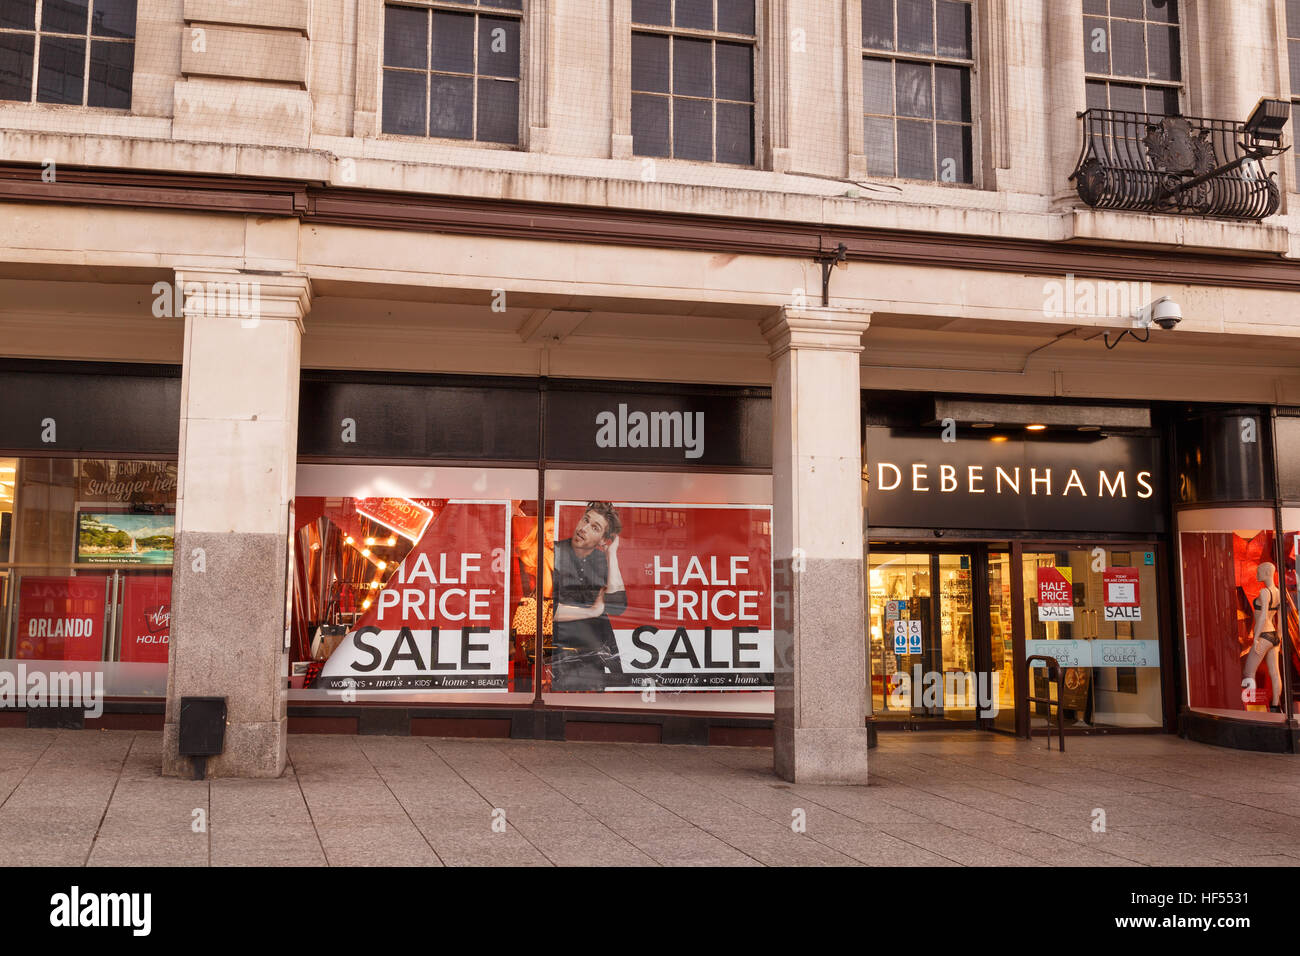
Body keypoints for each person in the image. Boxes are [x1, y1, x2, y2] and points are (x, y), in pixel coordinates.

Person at [551, 502, 626, 691]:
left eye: (595, 528)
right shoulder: (554, 552)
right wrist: (592, 611)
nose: (583, 529)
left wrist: (612, 555)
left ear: (603, 540)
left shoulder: (601, 560)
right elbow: (543, 611)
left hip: (597, 652)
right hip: (563, 650)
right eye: (586, 520)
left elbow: (618, 606)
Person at [1241, 561, 1283, 713]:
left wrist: (1256, 639)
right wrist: (1279, 637)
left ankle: (1252, 706)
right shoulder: (1279, 592)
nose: (1257, 574)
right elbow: (1280, 617)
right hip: (1273, 636)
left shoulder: (1264, 592)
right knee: (1274, 671)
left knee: (1248, 671)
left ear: (1266, 573)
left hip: (1264, 634)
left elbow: (1263, 616)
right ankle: (1275, 705)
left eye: (1258, 571)